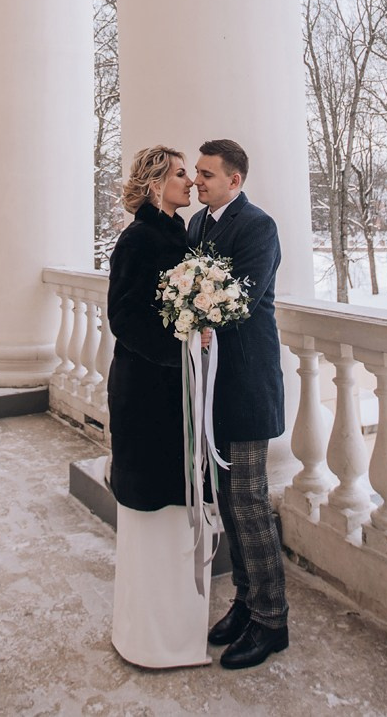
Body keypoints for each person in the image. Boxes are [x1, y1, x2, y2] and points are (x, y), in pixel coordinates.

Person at [106, 145, 211, 668]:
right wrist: (180, 348)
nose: (190, 181)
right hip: (147, 394)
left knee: (177, 504)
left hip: (177, 392)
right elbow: (124, 317)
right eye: (180, 174)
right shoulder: (138, 239)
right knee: (152, 504)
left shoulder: (177, 234)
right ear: (155, 185)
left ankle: (178, 629)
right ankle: (149, 635)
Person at [187, 138, 289, 670]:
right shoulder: (197, 225)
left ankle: (272, 620)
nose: (197, 181)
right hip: (212, 382)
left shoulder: (258, 227)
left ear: (235, 180)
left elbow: (240, 299)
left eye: (207, 174)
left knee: (249, 498)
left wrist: (195, 313)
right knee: (228, 499)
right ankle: (246, 603)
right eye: (196, 172)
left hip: (247, 380)